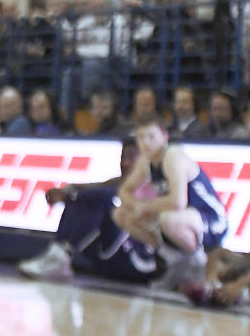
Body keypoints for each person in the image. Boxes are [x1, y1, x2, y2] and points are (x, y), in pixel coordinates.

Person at [19, 140, 161, 283]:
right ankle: (58, 254)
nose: (124, 162)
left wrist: (70, 195)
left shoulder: (151, 186)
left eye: (131, 157)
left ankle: (59, 257)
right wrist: (67, 192)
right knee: (80, 198)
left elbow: (103, 195)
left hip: (139, 260)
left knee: (97, 200)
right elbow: (87, 191)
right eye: (122, 157)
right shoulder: (116, 183)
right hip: (112, 257)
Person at [112, 117, 229, 290]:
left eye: (151, 136)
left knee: (168, 218)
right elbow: (124, 191)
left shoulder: (173, 156)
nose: (145, 142)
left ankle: (197, 264)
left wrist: (143, 206)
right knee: (122, 214)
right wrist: (136, 206)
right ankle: (173, 261)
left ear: (164, 136)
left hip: (211, 220)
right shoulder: (147, 161)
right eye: (141, 137)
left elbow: (178, 202)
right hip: (183, 219)